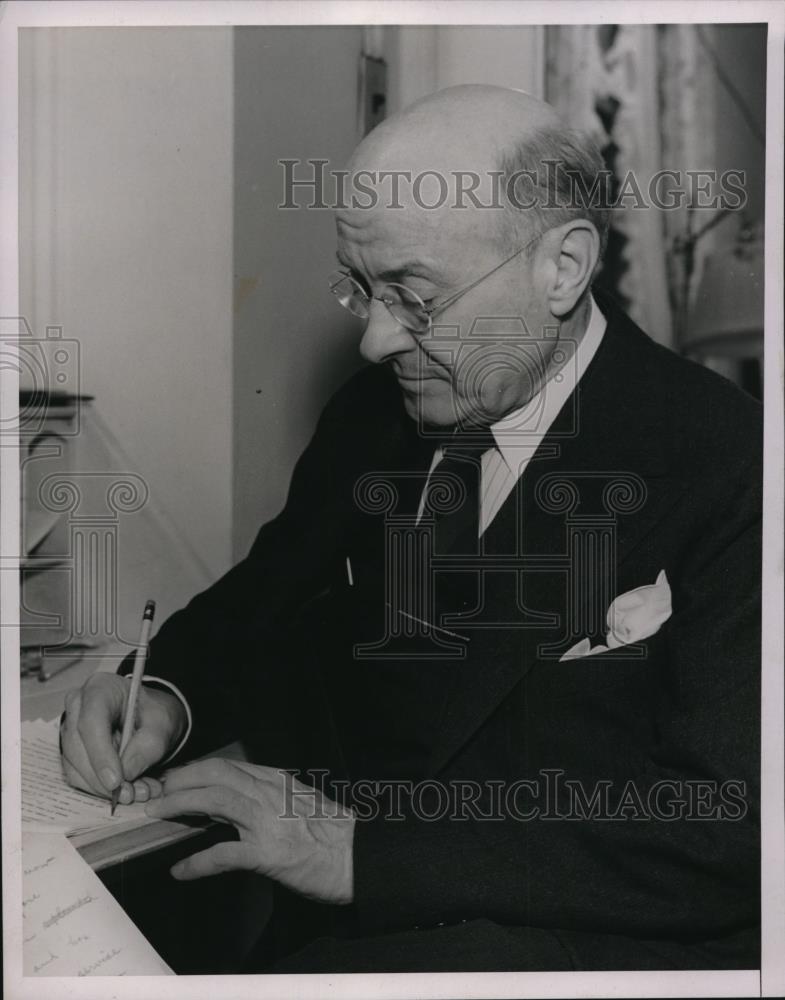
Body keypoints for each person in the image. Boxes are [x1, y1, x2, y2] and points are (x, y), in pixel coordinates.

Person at [59, 85, 761, 972]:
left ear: (562, 267)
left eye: (414, 298)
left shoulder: (731, 462)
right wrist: (164, 691)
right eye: (361, 290)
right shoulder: (374, 416)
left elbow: (733, 826)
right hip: (337, 942)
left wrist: (363, 857)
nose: (375, 342)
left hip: (580, 956)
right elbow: (269, 600)